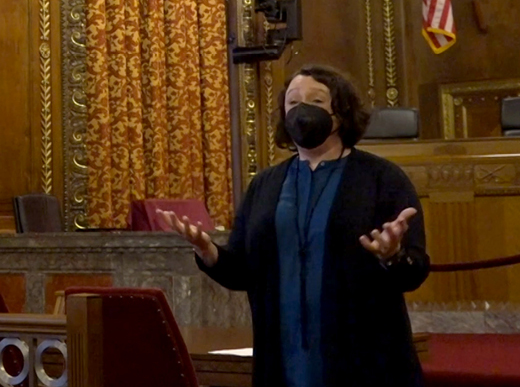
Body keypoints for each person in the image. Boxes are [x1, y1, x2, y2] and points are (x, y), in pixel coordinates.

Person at [162, 64, 429, 387]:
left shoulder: (382, 179)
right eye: (292, 102)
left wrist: (392, 255)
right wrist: (207, 251)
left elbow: (414, 272)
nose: (301, 110)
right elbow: (243, 272)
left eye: (316, 102)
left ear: (341, 114)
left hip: (365, 361)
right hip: (283, 359)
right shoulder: (266, 185)